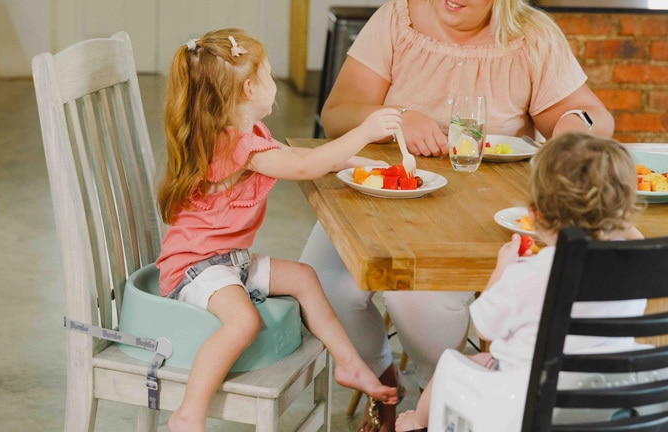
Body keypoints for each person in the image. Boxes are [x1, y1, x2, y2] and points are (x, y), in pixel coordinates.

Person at [300, 1, 616, 430]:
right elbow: (336, 114)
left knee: (418, 292)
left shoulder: (531, 34)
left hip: (483, 210)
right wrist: (396, 118)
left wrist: (573, 125)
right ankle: (384, 383)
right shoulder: (398, 20)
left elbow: (596, 117)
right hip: (384, 193)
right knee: (318, 282)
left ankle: (444, 400)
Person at [154, 28, 403, 432]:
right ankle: (189, 413)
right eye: (269, 75)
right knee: (243, 322)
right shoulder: (234, 147)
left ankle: (350, 365)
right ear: (250, 89)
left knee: (304, 276)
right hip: (195, 268)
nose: (274, 83)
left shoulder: (246, 136)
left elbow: (296, 156)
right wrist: (363, 132)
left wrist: (352, 161)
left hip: (226, 263)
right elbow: (302, 168)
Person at [394, 132, 646, 431]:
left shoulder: (532, 272)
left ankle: (416, 422)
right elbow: (634, 239)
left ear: (536, 215)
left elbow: (487, 326)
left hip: (526, 401)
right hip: (607, 399)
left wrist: (502, 269)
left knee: (451, 362)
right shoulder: (637, 265)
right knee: (489, 358)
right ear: (623, 210)